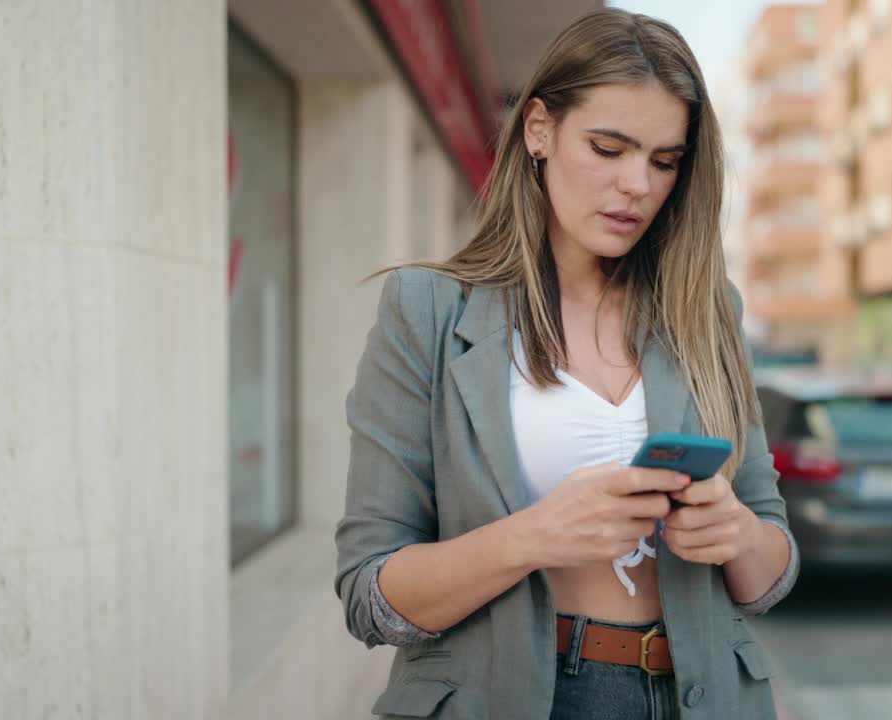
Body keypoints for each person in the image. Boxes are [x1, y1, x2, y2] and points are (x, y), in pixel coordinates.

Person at [334, 8, 799, 719]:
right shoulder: (427, 308)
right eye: (609, 148)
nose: (637, 185)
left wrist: (735, 532)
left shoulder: (709, 311)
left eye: (664, 161)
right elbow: (370, 596)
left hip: (702, 698)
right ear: (539, 130)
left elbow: (769, 575)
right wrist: (535, 536)